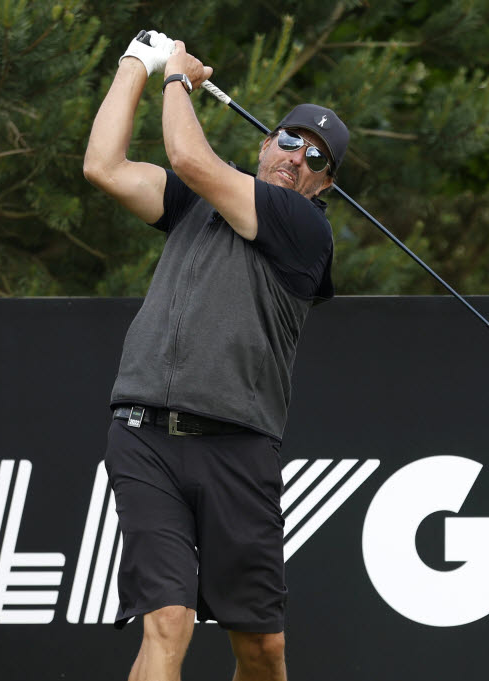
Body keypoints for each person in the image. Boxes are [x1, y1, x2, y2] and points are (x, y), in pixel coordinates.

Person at [83, 30, 348, 681]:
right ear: (265, 143)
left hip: (238, 447)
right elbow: (104, 167)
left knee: (262, 650)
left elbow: (191, 155)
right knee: (166, 623)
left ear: (321, 186)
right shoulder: (192, 204)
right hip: (144, 437)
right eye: (289, 140)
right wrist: (135, 65)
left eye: (317, 158)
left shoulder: (301, 226)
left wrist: (176, 75)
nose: (297, 158)